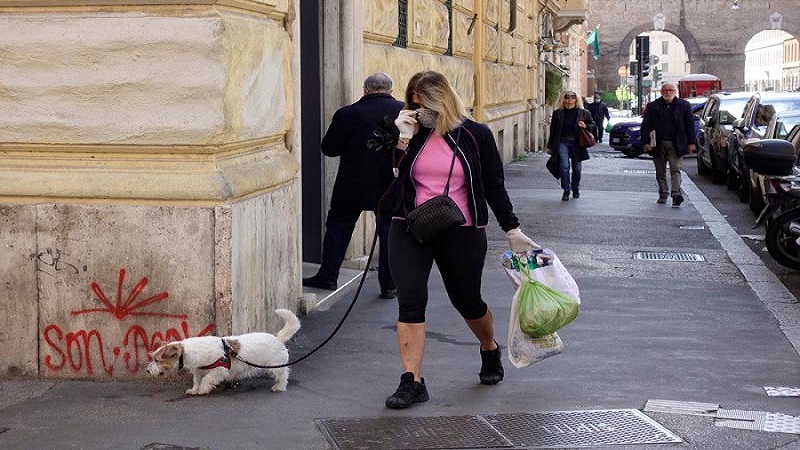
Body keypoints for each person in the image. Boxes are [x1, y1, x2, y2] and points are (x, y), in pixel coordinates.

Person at [383, 71, 539, 409]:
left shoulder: (475, 134)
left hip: (462, 229)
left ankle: (489, 347)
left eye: (426, 106)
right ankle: (412, 380)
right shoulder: (409, 132)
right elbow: (389, 175)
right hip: (409, 225)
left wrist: (511, 230)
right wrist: (401, 141)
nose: (420, 112)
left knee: (466, 299)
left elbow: (494, 185)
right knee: (410, 301)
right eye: (414, 105)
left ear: (444, 101)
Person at [302, 73, 403, 299]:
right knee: (389, 231)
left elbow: (329, 148)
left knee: (339, 225)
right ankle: (389, 285)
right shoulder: (404, 112)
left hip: (352, 182)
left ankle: (328, 276)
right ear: (390, 89)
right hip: (391, 183)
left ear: (366, 89)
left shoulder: (347, 114)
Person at [640, 82, 697, 207]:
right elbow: (645, 125)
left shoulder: (684, 105)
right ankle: (663, 193)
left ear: (675, 92)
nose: (668, 93)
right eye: (665, 91)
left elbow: (690, 125)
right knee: (660, 171)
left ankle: (676, 194)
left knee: (675, 169)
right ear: (661, 92)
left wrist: (692, 143)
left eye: (670, 90)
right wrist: (645, 142)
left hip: (676, 144)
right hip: (657, 144)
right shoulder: (653, 106)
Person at [545, 90, 595, 201]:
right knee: (564, 166)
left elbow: (593, 125)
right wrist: (550, 147)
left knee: (577, 168)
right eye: (567, 97)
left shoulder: (583, 113)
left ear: (576, 99)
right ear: (563, 99)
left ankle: (575, 187)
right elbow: (553, 131)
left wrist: (585, 125)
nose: (569, 99)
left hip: (577, 143)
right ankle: (566, 190)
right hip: (562, 142)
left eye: (572, 97)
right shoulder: (558, 113)